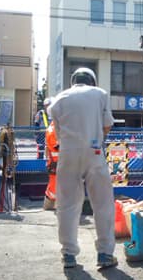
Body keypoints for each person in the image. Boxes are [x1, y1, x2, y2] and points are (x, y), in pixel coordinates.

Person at [47, 67, 117, 269]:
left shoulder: (59, 99)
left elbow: (57, 132)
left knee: (67, 205)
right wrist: (96, 137)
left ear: (73, 81)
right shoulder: (100, 94)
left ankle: (68, 255)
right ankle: (105, 254)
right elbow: (107, 125)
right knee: (103, 204)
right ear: (92, 81)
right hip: (94, 152)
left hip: (67, 154)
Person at [43, 98, 58, 210]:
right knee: (54, 186)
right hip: (55, 162)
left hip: (58, 162)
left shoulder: (56, 128)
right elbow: (57, 146)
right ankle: (49, 205)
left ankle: (51, 205)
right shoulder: (52, 130)